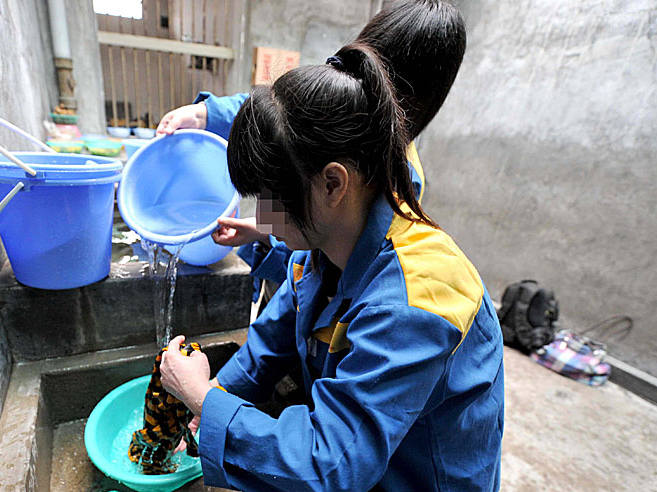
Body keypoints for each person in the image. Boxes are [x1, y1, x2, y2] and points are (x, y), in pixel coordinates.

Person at [159, 41, 504, 492]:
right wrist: (213, 401)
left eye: (270, 199)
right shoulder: (327, 241)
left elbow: (330, 463)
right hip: (374, 442)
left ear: (332, 183)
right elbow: (277, 331)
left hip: (419, 482)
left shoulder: (419, 297)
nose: (262, 216)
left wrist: (204, 398)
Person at [156, 0, 467, 307]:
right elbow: (279, 115)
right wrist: (204, 114)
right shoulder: (341, 104)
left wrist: (267, 232)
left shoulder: (397, 189)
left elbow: (326, 264)